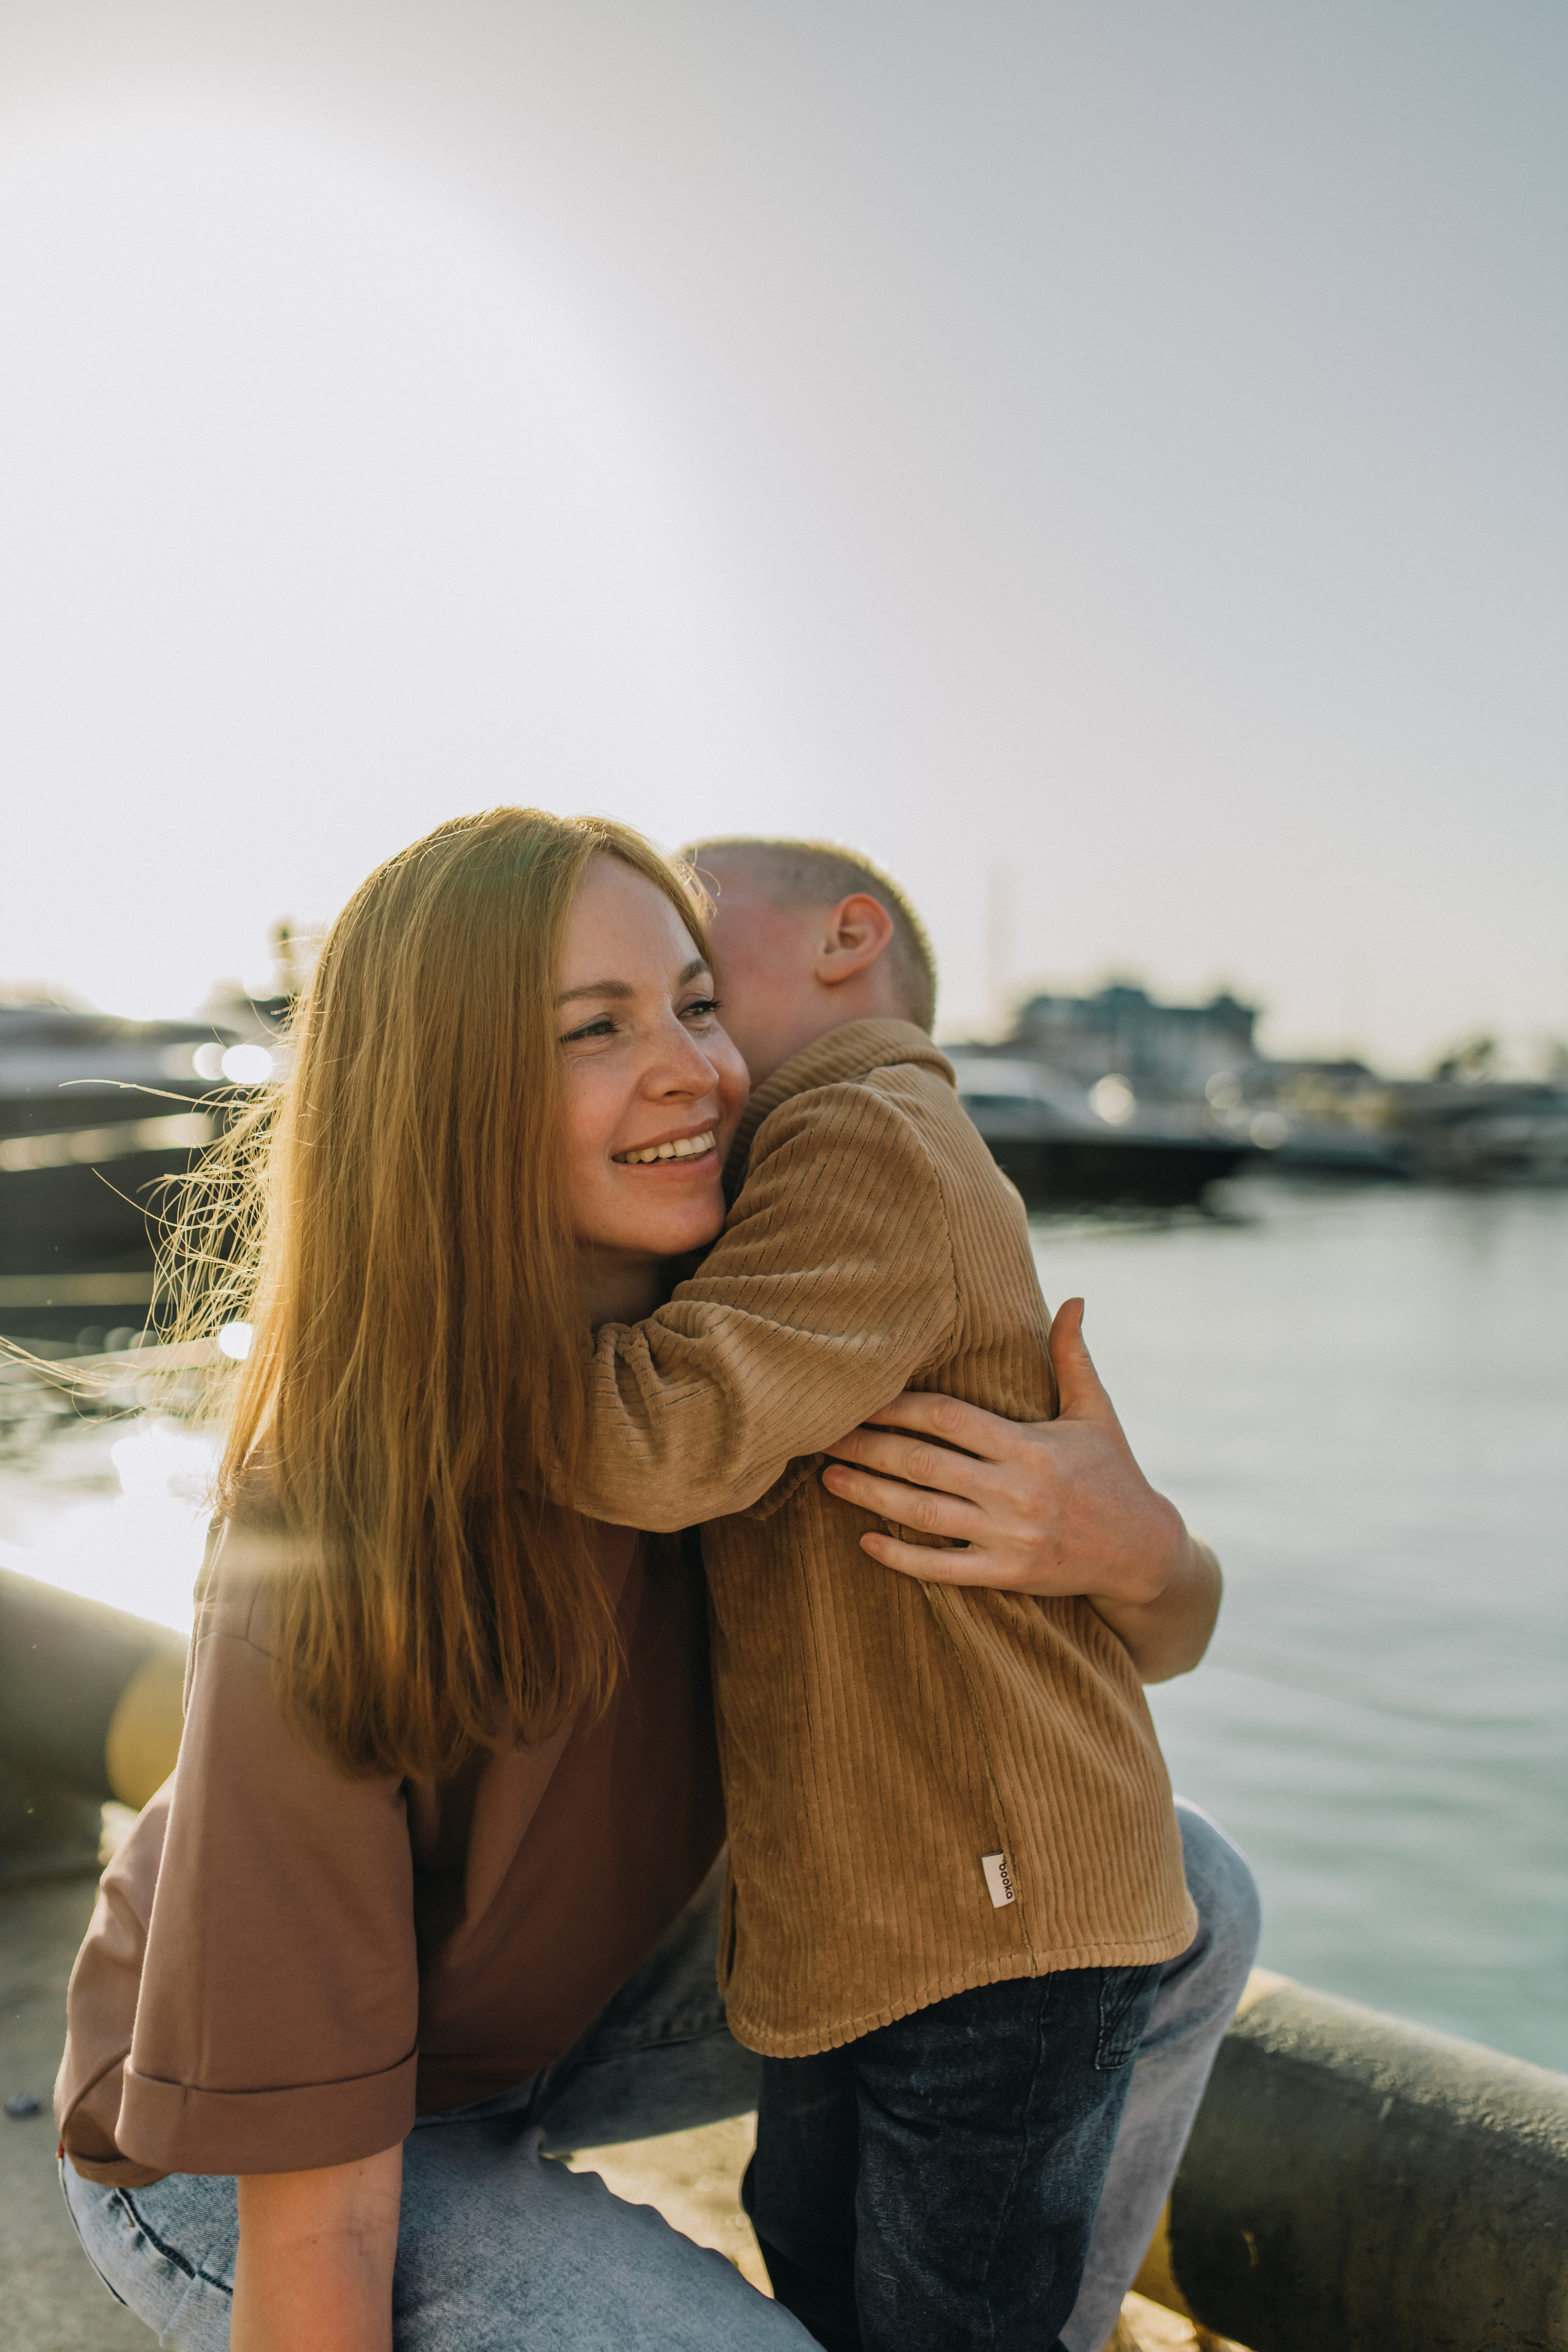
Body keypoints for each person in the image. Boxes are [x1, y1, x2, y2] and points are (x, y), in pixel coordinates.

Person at [55, 809, 1254, 2352]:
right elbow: (321, 2212)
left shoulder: (762, 1334)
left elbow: (1142, 1645)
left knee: (1179, 1890)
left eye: (698, 1003)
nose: (698, 1067)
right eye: (594, 1031)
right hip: (259, 2144)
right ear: (444, 1099)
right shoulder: (336, 1509)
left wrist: (1144, 1551)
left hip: (570, 2008)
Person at [565, 834, 1253, 2351]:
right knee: (821, 2258)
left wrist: (425, 1329)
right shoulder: (798, 1162)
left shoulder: (861, 1133)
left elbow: (668, 1433)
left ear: (843, 939)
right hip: (896, 1903)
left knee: (945, 2311)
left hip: (988, 1905)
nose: (669, 1004)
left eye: (690, 954)